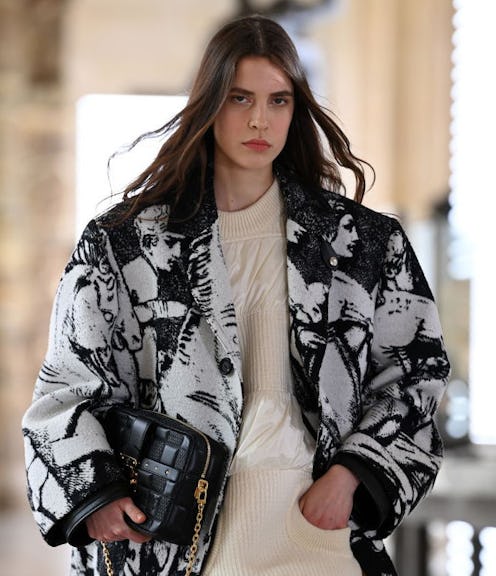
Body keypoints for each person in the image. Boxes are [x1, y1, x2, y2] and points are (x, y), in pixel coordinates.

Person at [22, 14, 450, 576]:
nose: (259, 120)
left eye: (279, 101)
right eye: (239, 98)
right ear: (208, 104)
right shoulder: (125, 245)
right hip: (175, 534)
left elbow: (415, 376)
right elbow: (66, 386)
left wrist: (349, 478)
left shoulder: (362, 243)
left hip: (311, 525)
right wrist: (95, 494)